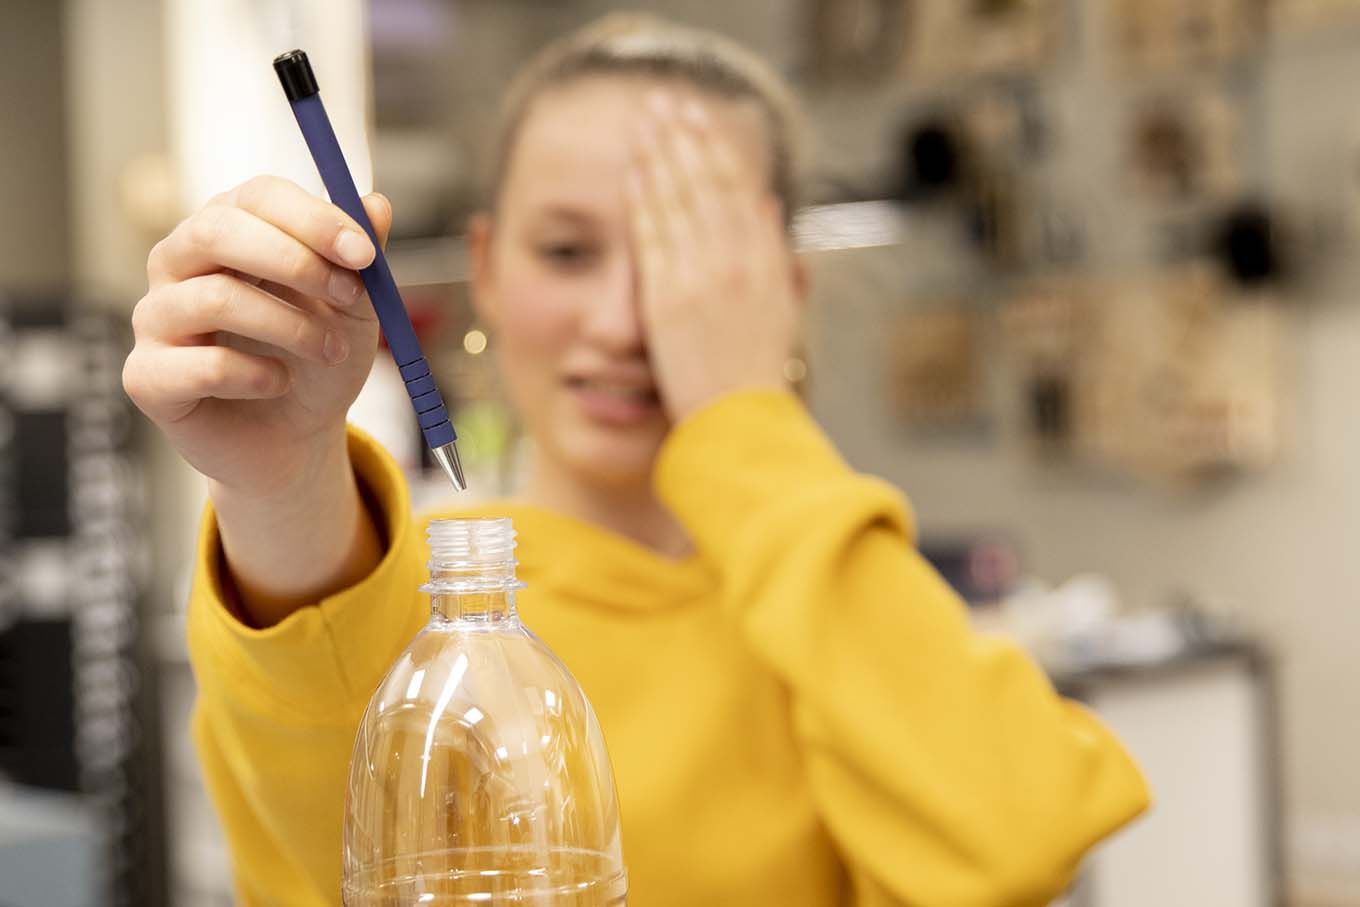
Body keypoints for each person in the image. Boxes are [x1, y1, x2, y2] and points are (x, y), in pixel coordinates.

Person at [123, 13, 1149, 907]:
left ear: (778, 288)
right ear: (484, 269)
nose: (621, 321)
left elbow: (1014, 845)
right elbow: (321, 870)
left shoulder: (836, 599)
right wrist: (283, 485)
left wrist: (743, 417)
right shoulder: (414, 609)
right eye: (567, 252)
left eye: (684, 264)